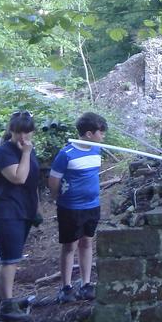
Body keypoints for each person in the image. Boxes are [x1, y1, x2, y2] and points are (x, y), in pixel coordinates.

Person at [0, 110, 41, 322]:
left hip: (24, 210)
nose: (23, 137)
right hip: (6, 211)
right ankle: (7, 306)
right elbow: (18, 178)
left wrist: (37, 209)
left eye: (27, 133)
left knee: (5, 256)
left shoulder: (29, 149)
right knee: (11, 260)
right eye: (19, 132)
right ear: (11, 130)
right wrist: (27, 153)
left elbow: (32, 180)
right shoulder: (4, 152)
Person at [47, 112, 107, 303]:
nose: (103, 136)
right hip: (71, 208)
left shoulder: (97, 150)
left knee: (87, 242)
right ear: (89, 134)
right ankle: (66, 287)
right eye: (101, 132)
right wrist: (58, 197)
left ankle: (86, 284)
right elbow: (54, 180)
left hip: (92, 206)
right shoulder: (66, 154)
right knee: (70, 245)